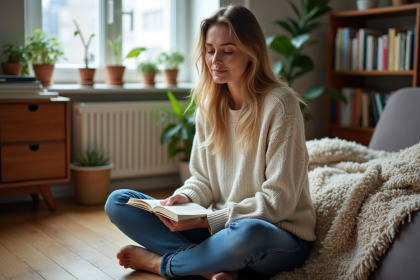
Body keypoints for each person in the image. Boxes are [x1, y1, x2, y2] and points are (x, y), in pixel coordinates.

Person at [105, 5, 316, 280]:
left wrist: (208, 219)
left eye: (227, 51)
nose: (215, 60)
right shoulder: (209, 105)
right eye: (209, 50)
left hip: (277, 234)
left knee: (247, 232)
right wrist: (185, 198)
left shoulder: (280, 104)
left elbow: (279, 202)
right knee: (120, 202)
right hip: (221, 228)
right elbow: (202, 178)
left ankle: (162, 265)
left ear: (252, 53)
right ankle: (219, 265)